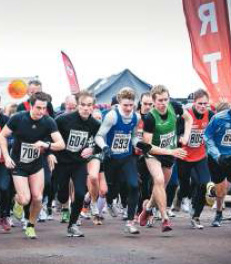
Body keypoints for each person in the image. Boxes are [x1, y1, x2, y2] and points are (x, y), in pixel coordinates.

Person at [0, 92, 65, 239]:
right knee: (25, 199)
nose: (41, 111)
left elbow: (61, 144)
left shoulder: (48, 121)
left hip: (36, 164)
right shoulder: (18, 118)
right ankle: (16, 201)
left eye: (44, 108)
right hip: (19, 164)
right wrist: (6, 155)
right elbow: (2, 135)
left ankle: (30, 225)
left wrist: (46, 145)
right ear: (31, 105)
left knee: (37, 198)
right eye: (38, 108)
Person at [95, 87, 151, 235]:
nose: (128, 108)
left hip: (126, 158)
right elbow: (99, 136)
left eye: (131, 105)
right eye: (125, 105)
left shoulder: (135, 117)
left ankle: (130, 222)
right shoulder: (112, 116)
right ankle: (108, 201)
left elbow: (132, 137)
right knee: (111, 191)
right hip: (111, 158)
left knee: (134, 185)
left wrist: (139, 144)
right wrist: (105, 147)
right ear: (119, 103)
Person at [139, 84, 193, 232]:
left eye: (165, 100)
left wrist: (186, 136)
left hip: (170, 152)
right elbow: (147, 146)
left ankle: (148, 207)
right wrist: (171, 152)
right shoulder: (150, 118)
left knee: (161, 187)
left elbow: (189, 119)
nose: (163, 104)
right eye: (160, 101)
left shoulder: (174, 106)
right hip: (153, 154)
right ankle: (165, 219)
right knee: (159, 180)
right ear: (154, 101)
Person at [53, 91, 101, 237]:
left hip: (79, 163)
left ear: (93, 106)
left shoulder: (95, 124)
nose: (86, 108)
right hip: (62, 162)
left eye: (89, 105)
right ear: (77, 105)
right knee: (61, 195)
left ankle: (72, 225)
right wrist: (50, 153)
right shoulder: (63, 120)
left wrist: (92, 148)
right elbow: (51, 135)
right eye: (83, 105)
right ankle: (61, 201)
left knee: (80, 193)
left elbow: (101, 141)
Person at [177, 89, 213, 229]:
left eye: (205, 103)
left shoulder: (210, 115)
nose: (203, 106)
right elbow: (176, 132)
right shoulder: (186, 115)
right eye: (200, 103)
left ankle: (196, 216)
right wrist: (181, 137)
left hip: (200, 155)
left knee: (203, 183)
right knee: (185, 185)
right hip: (184, 156)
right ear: (194, 102)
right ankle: (181, 197)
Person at [204, 102, 231, 227]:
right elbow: (207, 136)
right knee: (221, 190)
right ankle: (219, 213)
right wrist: (217, 155)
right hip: (218, 157)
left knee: (227, 187)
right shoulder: (218, 118)